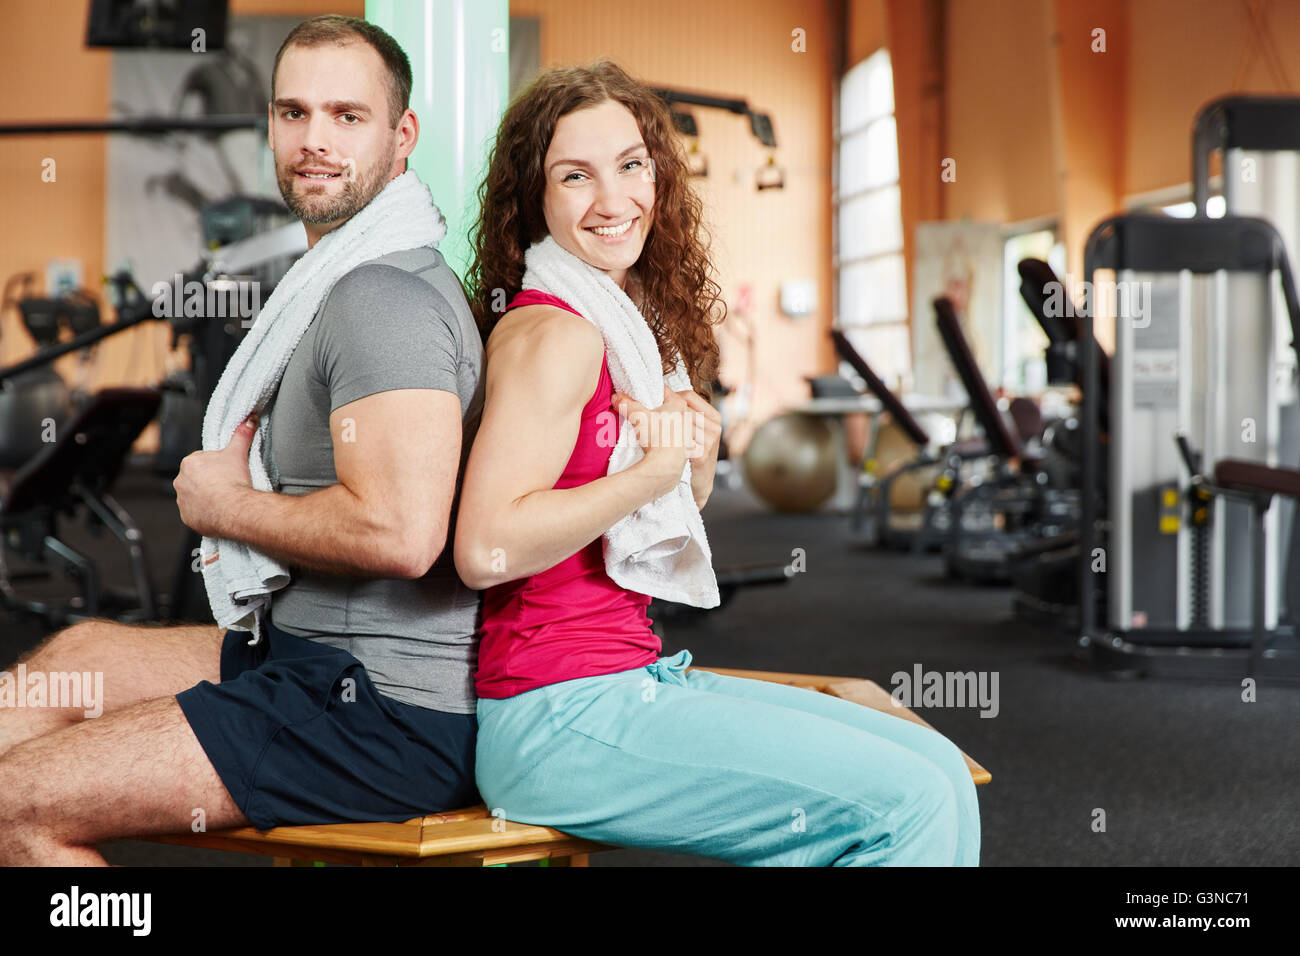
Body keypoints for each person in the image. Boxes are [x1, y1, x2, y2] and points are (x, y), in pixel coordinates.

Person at [455, 59, 980, 866]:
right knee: (908, 805)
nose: (613, 200)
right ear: (535, 197)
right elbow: (483, 549)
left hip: (629, 676)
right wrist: (646, 475)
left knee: (939, 769)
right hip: (558, 715)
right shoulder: (555, 334)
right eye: (575, 176)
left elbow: (667, 500)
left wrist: (690, 455)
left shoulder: (629, 329)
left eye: (631, 167)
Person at [0, 15, 483, 864]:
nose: (314, 141)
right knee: (56, 671)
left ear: (402, 135)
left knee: (14, 804)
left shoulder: (382, 299)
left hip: (379, 712)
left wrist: (229, 506)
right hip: (301, 655)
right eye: (293, 113)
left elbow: (402, 534)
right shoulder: (339, 281)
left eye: (347, 115)